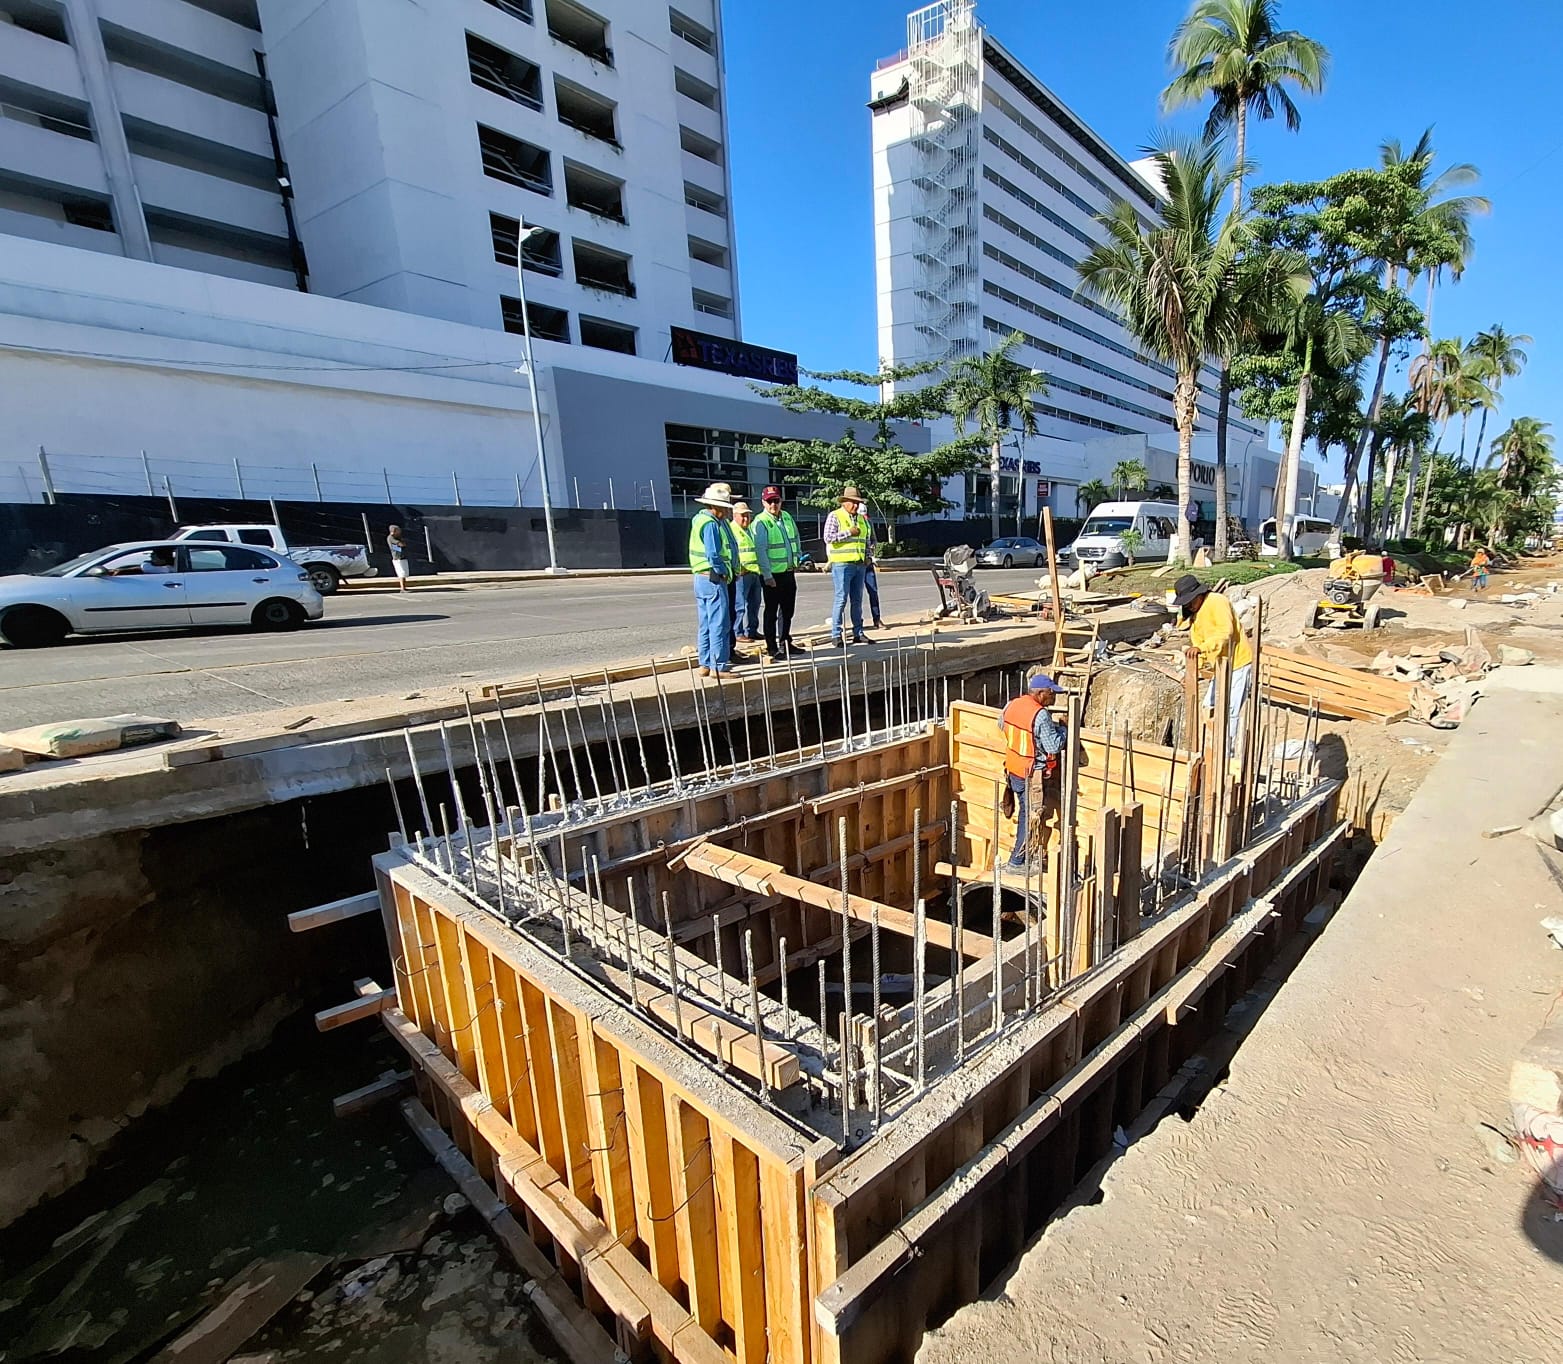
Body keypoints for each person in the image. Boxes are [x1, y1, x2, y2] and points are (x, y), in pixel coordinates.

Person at [1171, 573, 1253, 742]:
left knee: (1231, 710)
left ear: (1198, 595)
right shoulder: (1196, 615)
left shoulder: (1216, 601)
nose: (1189, 606)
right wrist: (1193, 673)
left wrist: (1201, 648)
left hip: (1238, 662)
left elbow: (1225, 632)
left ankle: (1227, 751)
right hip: (1220, 666)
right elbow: (1198, 649)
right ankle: (1211, 744)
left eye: (1191, 601)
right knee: (1209, 705)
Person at [999, 673, 1066, 870]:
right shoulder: (1041, 715)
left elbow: (1001, 724)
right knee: (1030, 818)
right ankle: (1017, 861)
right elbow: (1053, 746)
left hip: (1013, 769)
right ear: (1039, 693)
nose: (1053, 697)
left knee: (1024, 813)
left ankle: (1020, 857)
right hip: (1031, 774)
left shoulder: (1012, 705)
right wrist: (1064, 730)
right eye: (1051, 693)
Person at [688, 482, 739, 676]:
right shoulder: (710, 525)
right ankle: (718, 665)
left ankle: (705, 663)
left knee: (706, 622)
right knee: (719, 623)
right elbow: (713, 553)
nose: (727, 512)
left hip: (701, 578)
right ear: (717, 507)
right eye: (725, 508)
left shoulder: (700, 520)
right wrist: (723, 571)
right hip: (713, 578)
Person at [753, 485, 802, 658]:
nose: (773, 504)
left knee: (787, 610)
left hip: (788, 572)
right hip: (772, 575)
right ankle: (772, 647)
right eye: (769, 501)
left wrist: (797, 559)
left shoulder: (787, 517)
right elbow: (760, 550)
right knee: (771, 612)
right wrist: (767, 575)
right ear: (763, 503)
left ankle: (785, 642)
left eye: (776, 501)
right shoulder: (761, 522)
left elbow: (795, 538)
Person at [823, 486, 875, 645]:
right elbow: (828, 537)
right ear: (844, 502)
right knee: (841, 599)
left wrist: (868, 557)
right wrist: (848, 533)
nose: (855, 506)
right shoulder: (835, 516)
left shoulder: (861, 519)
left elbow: (867, 540)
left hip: (859, 564)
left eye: (857, 503)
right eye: (852, 502)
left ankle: (858, 632)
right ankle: (836, 634)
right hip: (842, 564)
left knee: (857, 600)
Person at [730, 501, 763, 645]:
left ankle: (752, 630)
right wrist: (738, 569)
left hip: (754, 571)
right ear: (735, 516)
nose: (746, 519)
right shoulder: (732, 530)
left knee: (755, 604)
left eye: (748, 516)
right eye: (743, 516)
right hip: (742, 574)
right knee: (740, 605)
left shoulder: (749, 530)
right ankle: (738, 632)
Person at [387, 524, 411, 592]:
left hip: (402, 556)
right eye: (398, 531)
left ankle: (404, 587)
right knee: (401, 573)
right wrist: (401, 544)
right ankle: (402, 588)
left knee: (404, 573)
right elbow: (400, 544)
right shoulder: (391, 538)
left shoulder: (398, 537)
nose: (399, 532)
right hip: (398, 557)